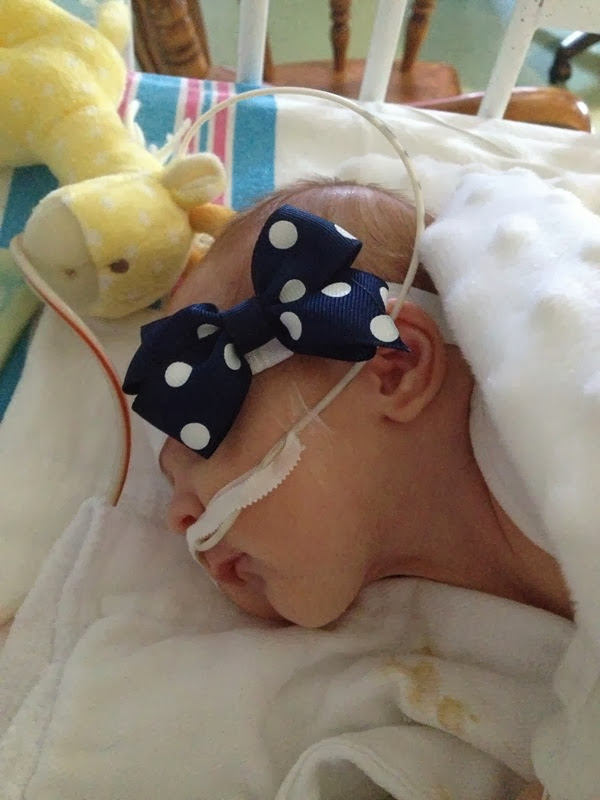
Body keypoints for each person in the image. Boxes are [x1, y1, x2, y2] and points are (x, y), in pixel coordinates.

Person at [124, 176, 591, 800]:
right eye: (170, 480)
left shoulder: (546, 433)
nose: (178, 517)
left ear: (392, 367)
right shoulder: (444, 607)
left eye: (203, 430)